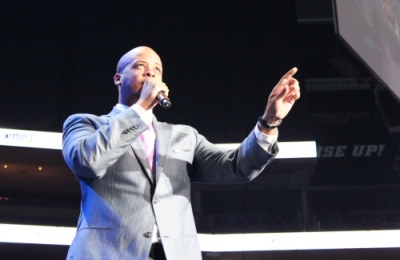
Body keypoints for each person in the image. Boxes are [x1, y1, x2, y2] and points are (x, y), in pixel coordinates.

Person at [62, 46, 300, 260]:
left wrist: (269, 122)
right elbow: (87, 161)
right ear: (118, 78)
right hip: (106, 253)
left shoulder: (185, 136)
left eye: (157, 69)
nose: (150, 73)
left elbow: (238, 166)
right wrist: (141, 108)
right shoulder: (86, 124)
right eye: (140, 66)